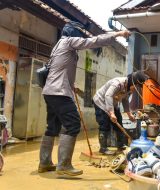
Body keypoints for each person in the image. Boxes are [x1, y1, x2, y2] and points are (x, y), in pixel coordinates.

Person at [38, 21, 131, 176]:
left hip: (51, 91)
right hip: (59, 92)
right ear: (73, 33)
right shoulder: (69, 41)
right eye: (79, 33)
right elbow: (92, 41)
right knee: (73, 124)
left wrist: (71, 85)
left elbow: (59, 68)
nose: (81, 37)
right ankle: (64, 166)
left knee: (52, 127)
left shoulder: (58, 46)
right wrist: (117, 34)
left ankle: (45, 163)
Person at [93, 71, 148, 155]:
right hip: (101, 102)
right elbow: (108, 95)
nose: (136, 88)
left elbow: (125, 100)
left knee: (119, 123)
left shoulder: (128, 88)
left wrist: (129, 115)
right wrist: (111, 113)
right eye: (136, 86)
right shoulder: (117, 83)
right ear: (132, 82)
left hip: (113, 104)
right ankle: (103, 148)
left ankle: (120, 145)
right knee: (104, 124)